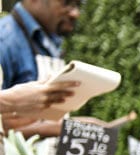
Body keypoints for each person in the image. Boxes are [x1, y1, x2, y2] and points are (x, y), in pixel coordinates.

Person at [1, 0, 82, 138]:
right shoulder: (5, 41)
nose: (75, 13)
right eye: (66, 3)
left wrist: (80, 129)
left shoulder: (50, 41)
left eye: (78, 5)